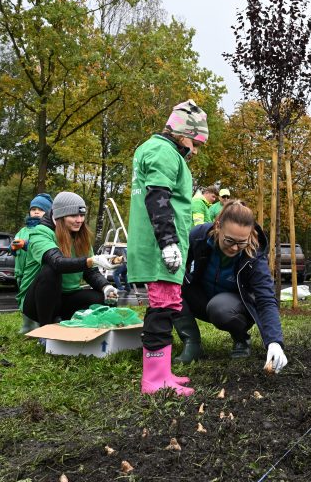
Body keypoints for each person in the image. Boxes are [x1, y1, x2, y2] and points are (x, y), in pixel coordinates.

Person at [127, 99, 209, 397]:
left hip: (159, 244)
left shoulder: (155, 150)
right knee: (162, 307)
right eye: (195, 143)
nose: (195, 151)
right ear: (182, 132)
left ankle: (161, 371)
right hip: (159, 245)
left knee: (165, 304)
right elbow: (158, 197)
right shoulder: (164, 152)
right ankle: (154, 378)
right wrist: (168, 241)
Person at [173, 200, 288, 374]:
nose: (234, 248)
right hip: (202, 297)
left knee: (219, 308)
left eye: (241, 242)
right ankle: (192, 343)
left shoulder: (254, 255)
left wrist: (274, 342)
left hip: (233, 307)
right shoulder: (198, 236)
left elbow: (265, 299)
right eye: (229, 240)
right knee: (172, 287)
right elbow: (176, 269)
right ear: (218, 226)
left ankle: (241, 338)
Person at [18, 191, 121, 327]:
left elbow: (90, 272)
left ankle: (70, 323)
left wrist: (106, 286)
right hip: (36, 302)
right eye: (73, 215)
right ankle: (45, 330)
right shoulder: (40, 232)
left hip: (67, 298)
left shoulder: (80, 235)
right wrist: (93, 260)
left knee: (104, 299)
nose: (79, 220)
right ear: (60, 216)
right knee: (50, 271)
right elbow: (57, 263)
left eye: (82, 215)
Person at [12, 192, 53, 333]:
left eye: (41, 209)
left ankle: (36, 323)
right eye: (33, 209)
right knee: (22, 297)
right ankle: (27, 324)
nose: (36, 212)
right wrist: (12, 248)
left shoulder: (45, 230)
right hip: (20, 271)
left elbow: (41, 247)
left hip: (35, 271)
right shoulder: (22, 230)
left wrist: (25, 244)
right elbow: (14, 246)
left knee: (34, 296)